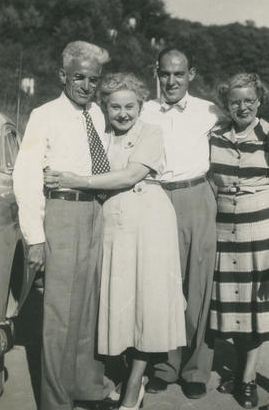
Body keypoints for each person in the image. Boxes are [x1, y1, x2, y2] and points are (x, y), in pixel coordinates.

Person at [44, 72, 186, 410]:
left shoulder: (151, 132)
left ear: (140, 106)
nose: (123, 114)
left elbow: (130, 174)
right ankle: (115, 375)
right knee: (118, 304)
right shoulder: (101, 136)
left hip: (149, 222)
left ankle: (135, 382)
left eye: (130, 107)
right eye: (115, 107)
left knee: (147, 304)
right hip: (112, 223)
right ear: (104, 108)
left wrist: (78, 180)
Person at [13, 41, 117, 410]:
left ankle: (87, 387)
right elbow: (25, 178)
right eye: (79, 78)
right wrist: (36, 238)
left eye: (93, 79)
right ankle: (56, 402)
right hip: (62, 213)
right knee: (59, 314)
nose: (87, 86)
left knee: (89, 306)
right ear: (62, 76)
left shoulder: (99, 115)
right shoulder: (44, 115)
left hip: (95, 212)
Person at [140, 48, 219, 399]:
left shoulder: (210, 111)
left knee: (198, 285)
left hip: (195, 197)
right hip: (157, 198)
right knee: (164, 286)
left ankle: (196, 369)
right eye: (165, 74)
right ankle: (165, 366)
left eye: (178, 74)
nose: (171, 81)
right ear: (157, 74)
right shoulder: (144, 111)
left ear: (191, 74)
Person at [209, 73, 269, 409]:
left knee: (256, 310)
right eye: (235, 101)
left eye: (249, 100)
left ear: (259, 100)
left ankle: (247, 380)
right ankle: (236, 372)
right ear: (226, 104)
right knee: (232, 311)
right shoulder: (215, 135)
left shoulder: (267, 134)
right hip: (222, 233)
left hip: (259, 231)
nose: (242, 106)